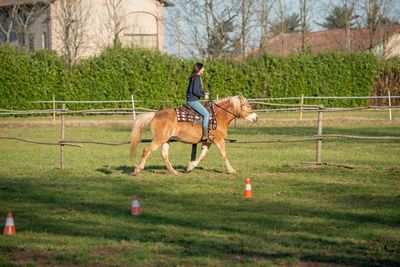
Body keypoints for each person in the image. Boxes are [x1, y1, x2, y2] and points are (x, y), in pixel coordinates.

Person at [186, 63, 210, 141]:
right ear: (199, 69)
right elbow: (195, 91)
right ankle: (205, 135)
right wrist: (204, 96)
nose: (204, 70)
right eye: (203, 68)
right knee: (206, 114)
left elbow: (197, 90)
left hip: (192, 100)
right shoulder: (197, 77)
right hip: (193, 101)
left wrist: (204, 93)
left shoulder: (194, 77)